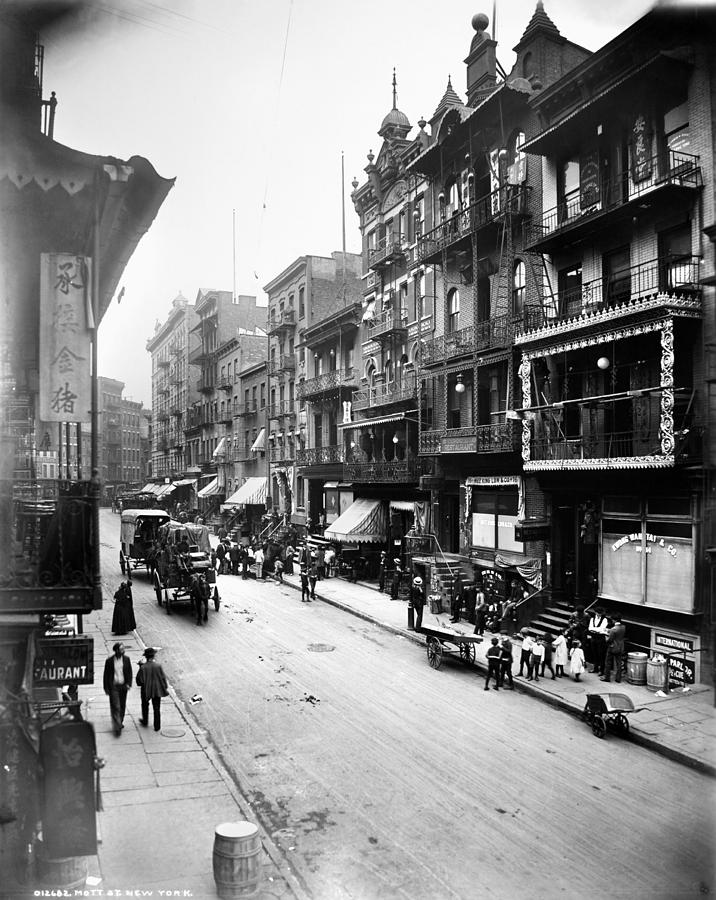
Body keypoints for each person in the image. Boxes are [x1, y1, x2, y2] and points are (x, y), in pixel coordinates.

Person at [136, 647, 168, 732]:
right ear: (153, 656)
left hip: (146, 690)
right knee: (157, 707)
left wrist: (140, 667)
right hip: (157, 689)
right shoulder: (158, 666)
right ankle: (157, 726)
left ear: (146, 657)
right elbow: (163, 678)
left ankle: (145, 721)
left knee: (144, 705)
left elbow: (139, 681)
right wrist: (164, 687)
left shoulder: (143, 667)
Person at [103, 642, 132, 737]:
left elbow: (129, 672)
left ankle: (120, 721)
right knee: (116, 706)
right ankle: (117, 727)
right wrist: (106, 688)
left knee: (122, 705)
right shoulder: (109, 661)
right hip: (114, 687)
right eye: (121, 649)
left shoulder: (127, 660)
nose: (123, 651)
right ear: (116, 650)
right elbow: (106, 675)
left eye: (124, 649)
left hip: (123, 686)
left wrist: (129, 684)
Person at [601, 615, 626, 683]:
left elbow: (610, 640)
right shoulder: (623, 627)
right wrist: (609, 630)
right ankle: (618, 678)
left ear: (614, 620)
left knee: (608, 662)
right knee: (618, 663)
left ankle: (607, 677)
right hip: (620, 647)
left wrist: (606, 636)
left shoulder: (613, 629)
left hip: (612, 647)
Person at [588, 606, 609, 676]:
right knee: (594, 653)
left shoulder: (604, 619)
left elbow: (602, 629)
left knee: (601, 654)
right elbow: (590, 628)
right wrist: (597, 629)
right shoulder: (592, 619)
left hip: (601, 638)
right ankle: (595, 668)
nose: (598, 615)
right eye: (597, 613)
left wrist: (595, 629)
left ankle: (601, 670)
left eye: (600, 613)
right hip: (593, 638)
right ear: (595, 612)